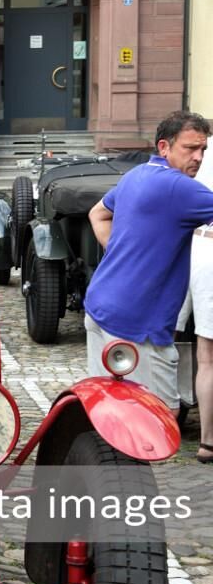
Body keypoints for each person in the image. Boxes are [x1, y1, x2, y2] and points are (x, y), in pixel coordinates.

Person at [84, 110, 213, 416]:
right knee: (156, 419)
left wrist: (120, 251)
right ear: (164, 147)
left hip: (101, 306)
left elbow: (97, 214)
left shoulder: (135, 175)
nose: (198, 157)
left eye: (203, 149)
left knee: (107, 411)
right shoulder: (180, 188)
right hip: (136, 325)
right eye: (190, 148)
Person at [176, 145, 213, 460]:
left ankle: (207, 441)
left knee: (207, 355)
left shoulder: (204, 150)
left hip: (203, 246)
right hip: (204, 247)